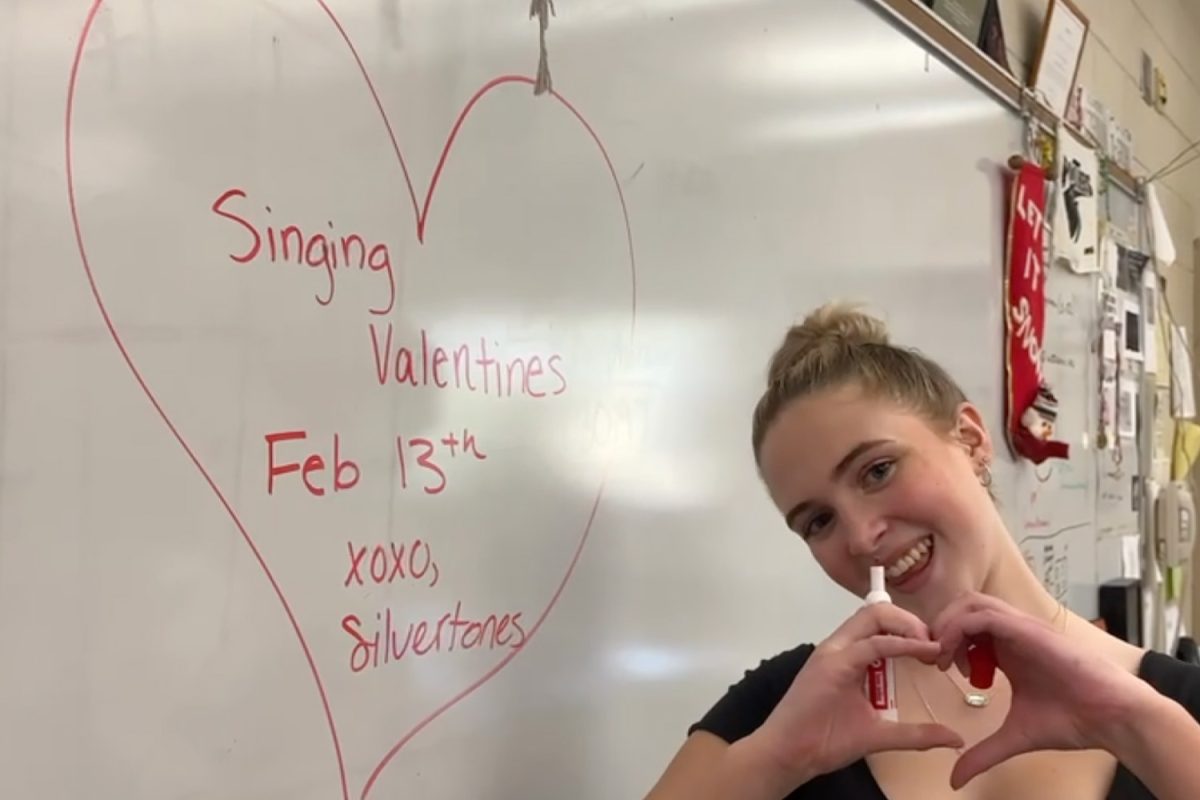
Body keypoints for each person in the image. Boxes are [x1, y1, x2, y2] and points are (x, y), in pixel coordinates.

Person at [644, 303, 1200, 800]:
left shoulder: (1176, 706)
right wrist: (778, 764)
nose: (861, 538)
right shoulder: (785, 708)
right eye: (818, 521)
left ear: (971, 440)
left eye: (878, 470)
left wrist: (1137, 727)